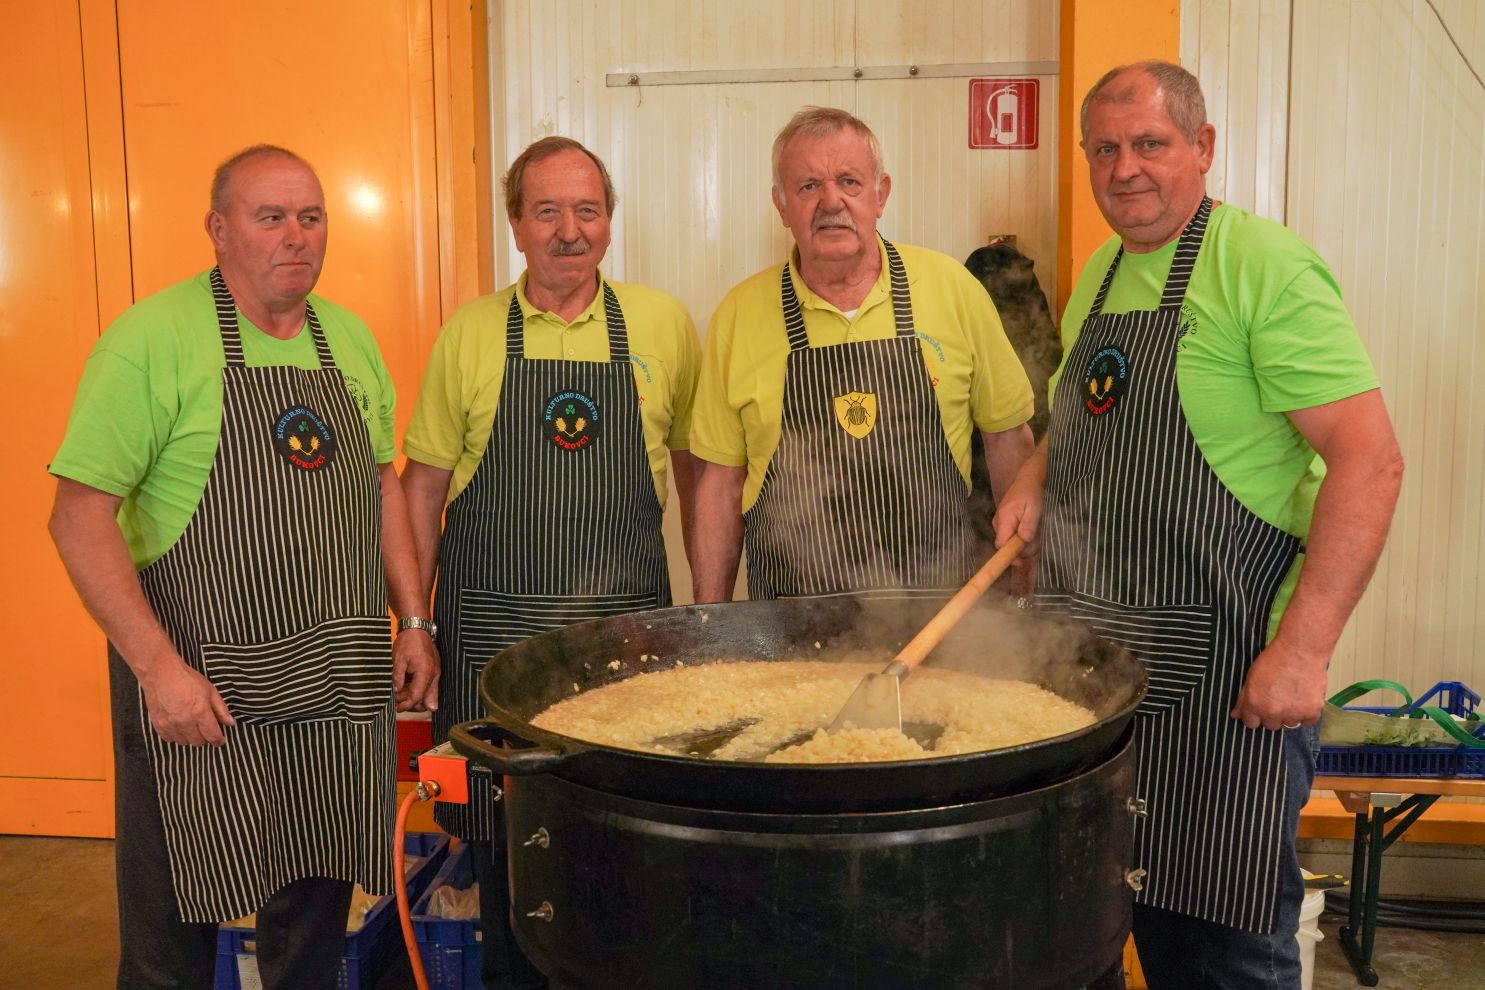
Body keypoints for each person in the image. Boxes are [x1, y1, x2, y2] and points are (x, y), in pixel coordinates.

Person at [994, 62, 1404, 989]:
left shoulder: (1262, 264)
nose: (1124, 169)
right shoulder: (1099, 273)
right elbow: (1082, 414)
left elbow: (1369, 460)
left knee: (1218, 951)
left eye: (1150, 144)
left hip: (1223, 687)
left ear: (1203, 148)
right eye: (1105, 149)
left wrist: (1301, 652)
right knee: (1093, 925)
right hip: (1092, 682)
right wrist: (1033, 476)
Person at [47, 145, 439, 990]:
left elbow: (379, 488)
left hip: (332, 678)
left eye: (311, 216)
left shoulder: (350, 338)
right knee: (173, 922)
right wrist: (159, 672)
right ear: (218, 229)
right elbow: (77, 518)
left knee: (316, 907)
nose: (296, 237)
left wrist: (412, 622)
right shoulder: (150, 341)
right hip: (198, 682)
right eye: (271, 217)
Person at [400, 136, 700, 989]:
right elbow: (421, 489)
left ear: (609, 220)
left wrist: (704, 615)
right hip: (492, 637)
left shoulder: (661, 324)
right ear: (515, 225)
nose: (570, 231)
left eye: (588, 210)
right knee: (502, 851)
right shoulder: (470, 331)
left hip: (621, 633)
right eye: (547, 211)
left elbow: (698, 469)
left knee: (622, 838)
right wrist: (415, 624)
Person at [690, 106, 1035, 603]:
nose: (832, 201)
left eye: (849, 182)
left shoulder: (952, 289)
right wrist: (710, 624)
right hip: (788, 627)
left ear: (881, 194)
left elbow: (1007, 438)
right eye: (808, 186)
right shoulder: (739, 315)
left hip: (942, 622)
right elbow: (720, 484)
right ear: (781, 206)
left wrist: (1022, 585)